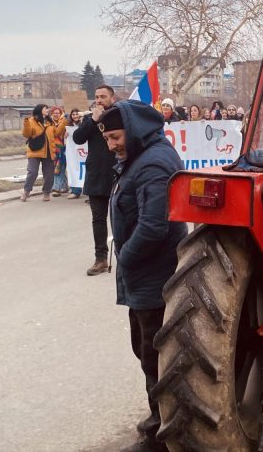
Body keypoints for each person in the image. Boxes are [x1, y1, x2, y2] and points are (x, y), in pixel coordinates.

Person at [99, 101, 187, 452]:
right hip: (143, 278)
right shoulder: (139, 157)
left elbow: (153, 226)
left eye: (115, 137)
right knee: (148, 353)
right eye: (106, 138)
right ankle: (160, 422)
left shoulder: (153, 163)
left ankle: (163, 435)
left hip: (155, 277)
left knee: (157, 359)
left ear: (133, 129)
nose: (111, 145)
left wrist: (127, 258)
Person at [73, 85, 117, 276]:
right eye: (97, 96)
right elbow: (78, 138)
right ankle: (101, 259)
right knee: (98, 219)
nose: (99, 100)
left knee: (120, 218)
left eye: (103, 97)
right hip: (96, 175)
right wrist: (93, 120)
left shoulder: (118, 116)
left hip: (117, 174)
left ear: (111, 98)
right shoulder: (90, 119)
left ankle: (124, 256)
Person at [21, 104, 67, 202]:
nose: (47, 110)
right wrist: (26, 123)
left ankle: (46, 192)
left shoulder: (49, 122)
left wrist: (64, 122)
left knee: (49, 174)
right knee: (32, 172)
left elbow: (58, 132)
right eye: (45, 108)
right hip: (35, 151)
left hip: (49, 152)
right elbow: (26, 134)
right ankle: (26, 192)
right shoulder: (31, 121)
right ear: (39, 110)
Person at [50, 107, 69, 197]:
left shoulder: (64, 122)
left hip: (62, 149)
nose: (56, 114)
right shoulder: (48, 123)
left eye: (58, 113)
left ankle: (56, 188)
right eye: (54, 113)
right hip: (52, 149)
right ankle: (64, 186)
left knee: (59, 168)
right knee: (58, 168)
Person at [66, 109, 84, 199]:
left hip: (83, 152)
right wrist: (65, 135)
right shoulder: (69, 126)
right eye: (73, 114)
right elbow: (65, 138)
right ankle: (75, 191)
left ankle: (85, 189)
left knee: (83, 170)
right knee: (73, 169)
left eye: (77, 114)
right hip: (73, 152)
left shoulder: (84, 124)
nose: (75, 116)